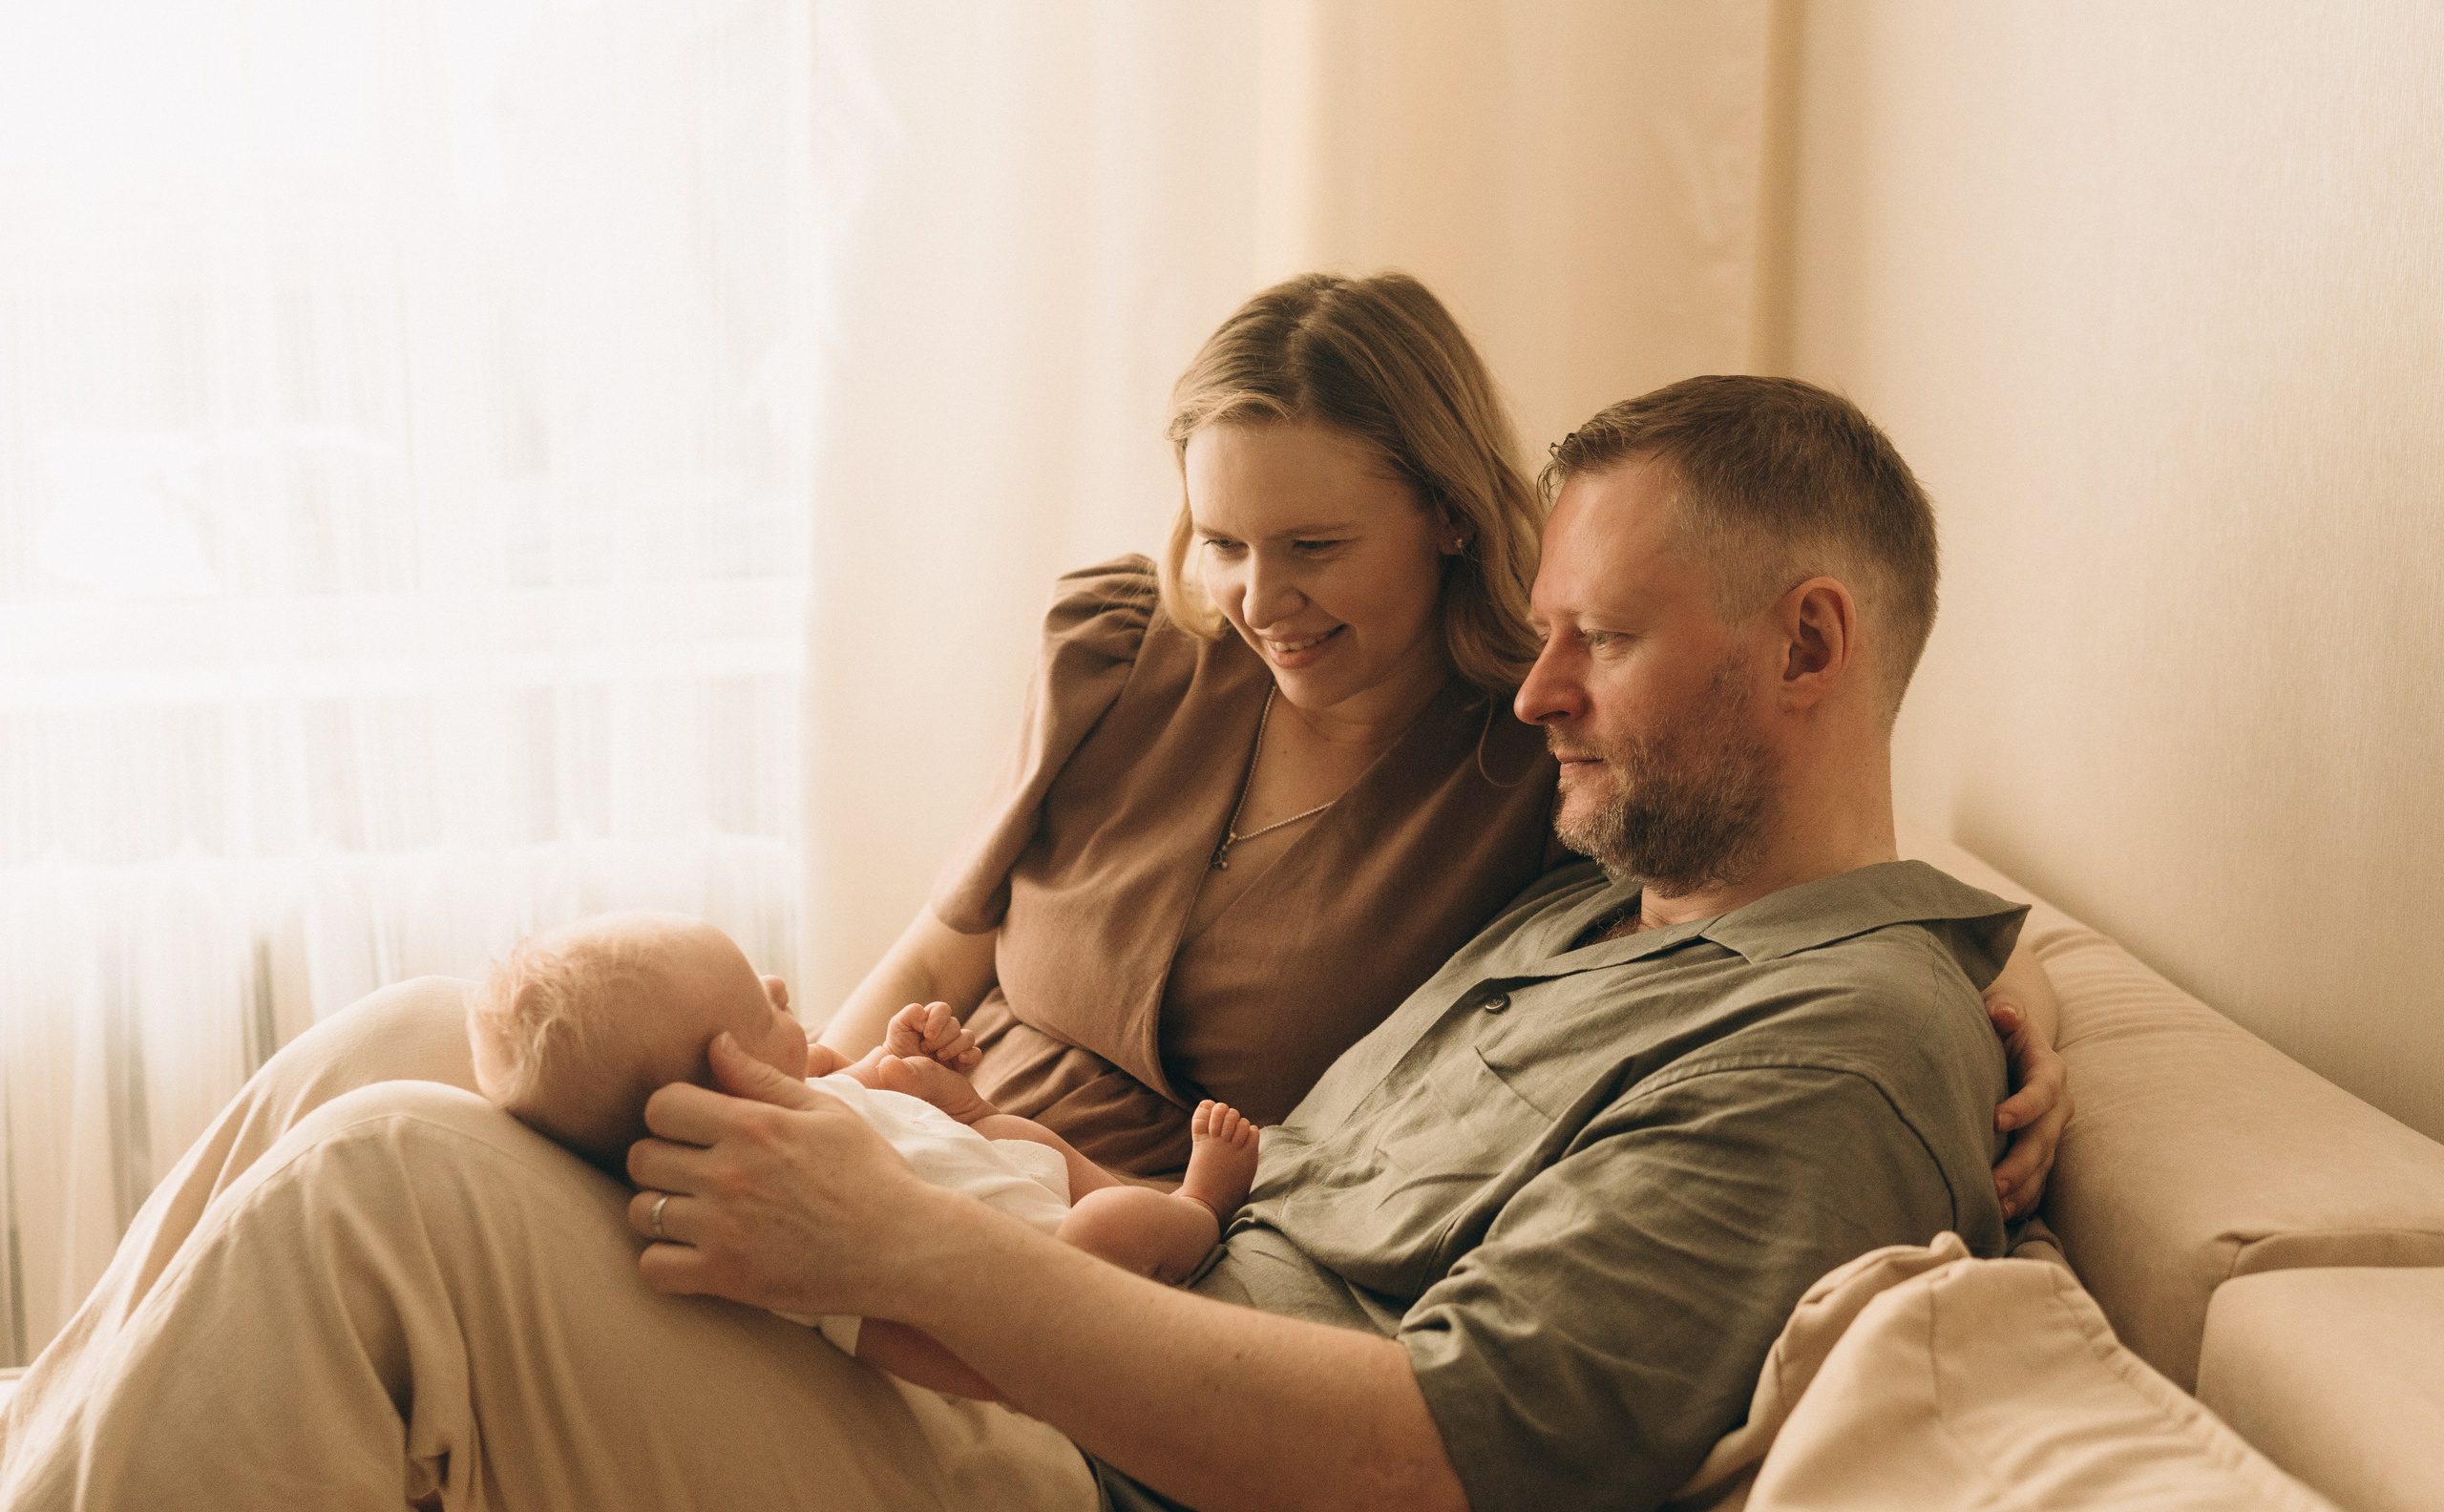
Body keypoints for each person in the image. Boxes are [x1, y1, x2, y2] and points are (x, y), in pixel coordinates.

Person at [0, 374, 2054, 1512]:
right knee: (398, 1043)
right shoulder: (1606, 912)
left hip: (1094, 1479)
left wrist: (916, 1247)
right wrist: (968, 1165)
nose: (1529, 699)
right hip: (1050, 1335)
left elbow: (1434, 1463)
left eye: (1589, 644)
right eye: (1540, 641)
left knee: (387, 1203)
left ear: (1807, 646)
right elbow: (1288, 1225)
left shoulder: (1834, 1046)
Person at [467, 911, 1259, 1399]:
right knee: (1111, 1221)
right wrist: (1023, 1380)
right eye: (758, 1000)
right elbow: (920, 1351)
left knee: (1012, 1137)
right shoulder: (789, 1239)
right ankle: (1197, 1208)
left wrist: (905, 1062)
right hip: (1058, 1287)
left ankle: (1135, 1199)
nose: (780, 986)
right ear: (733, 1086)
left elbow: (876, 1093)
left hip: (1022, 1176)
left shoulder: (802, 1087)